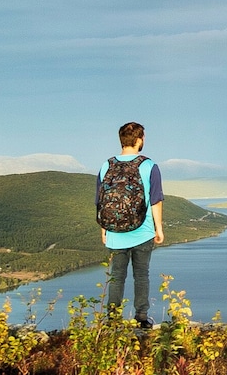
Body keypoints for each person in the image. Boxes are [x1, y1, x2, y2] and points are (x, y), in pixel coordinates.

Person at [98, 121, 164, 327]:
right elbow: (155, 199)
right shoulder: (149, 165)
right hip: (142, 231)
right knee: (141, 275)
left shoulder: (106, 165)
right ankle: (142, 318)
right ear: (138, 140)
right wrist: (158, 228)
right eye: (143, 137)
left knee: (116, 277)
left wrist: (104, 229)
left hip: (114, 232)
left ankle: (112, 319)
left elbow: (100, 200)